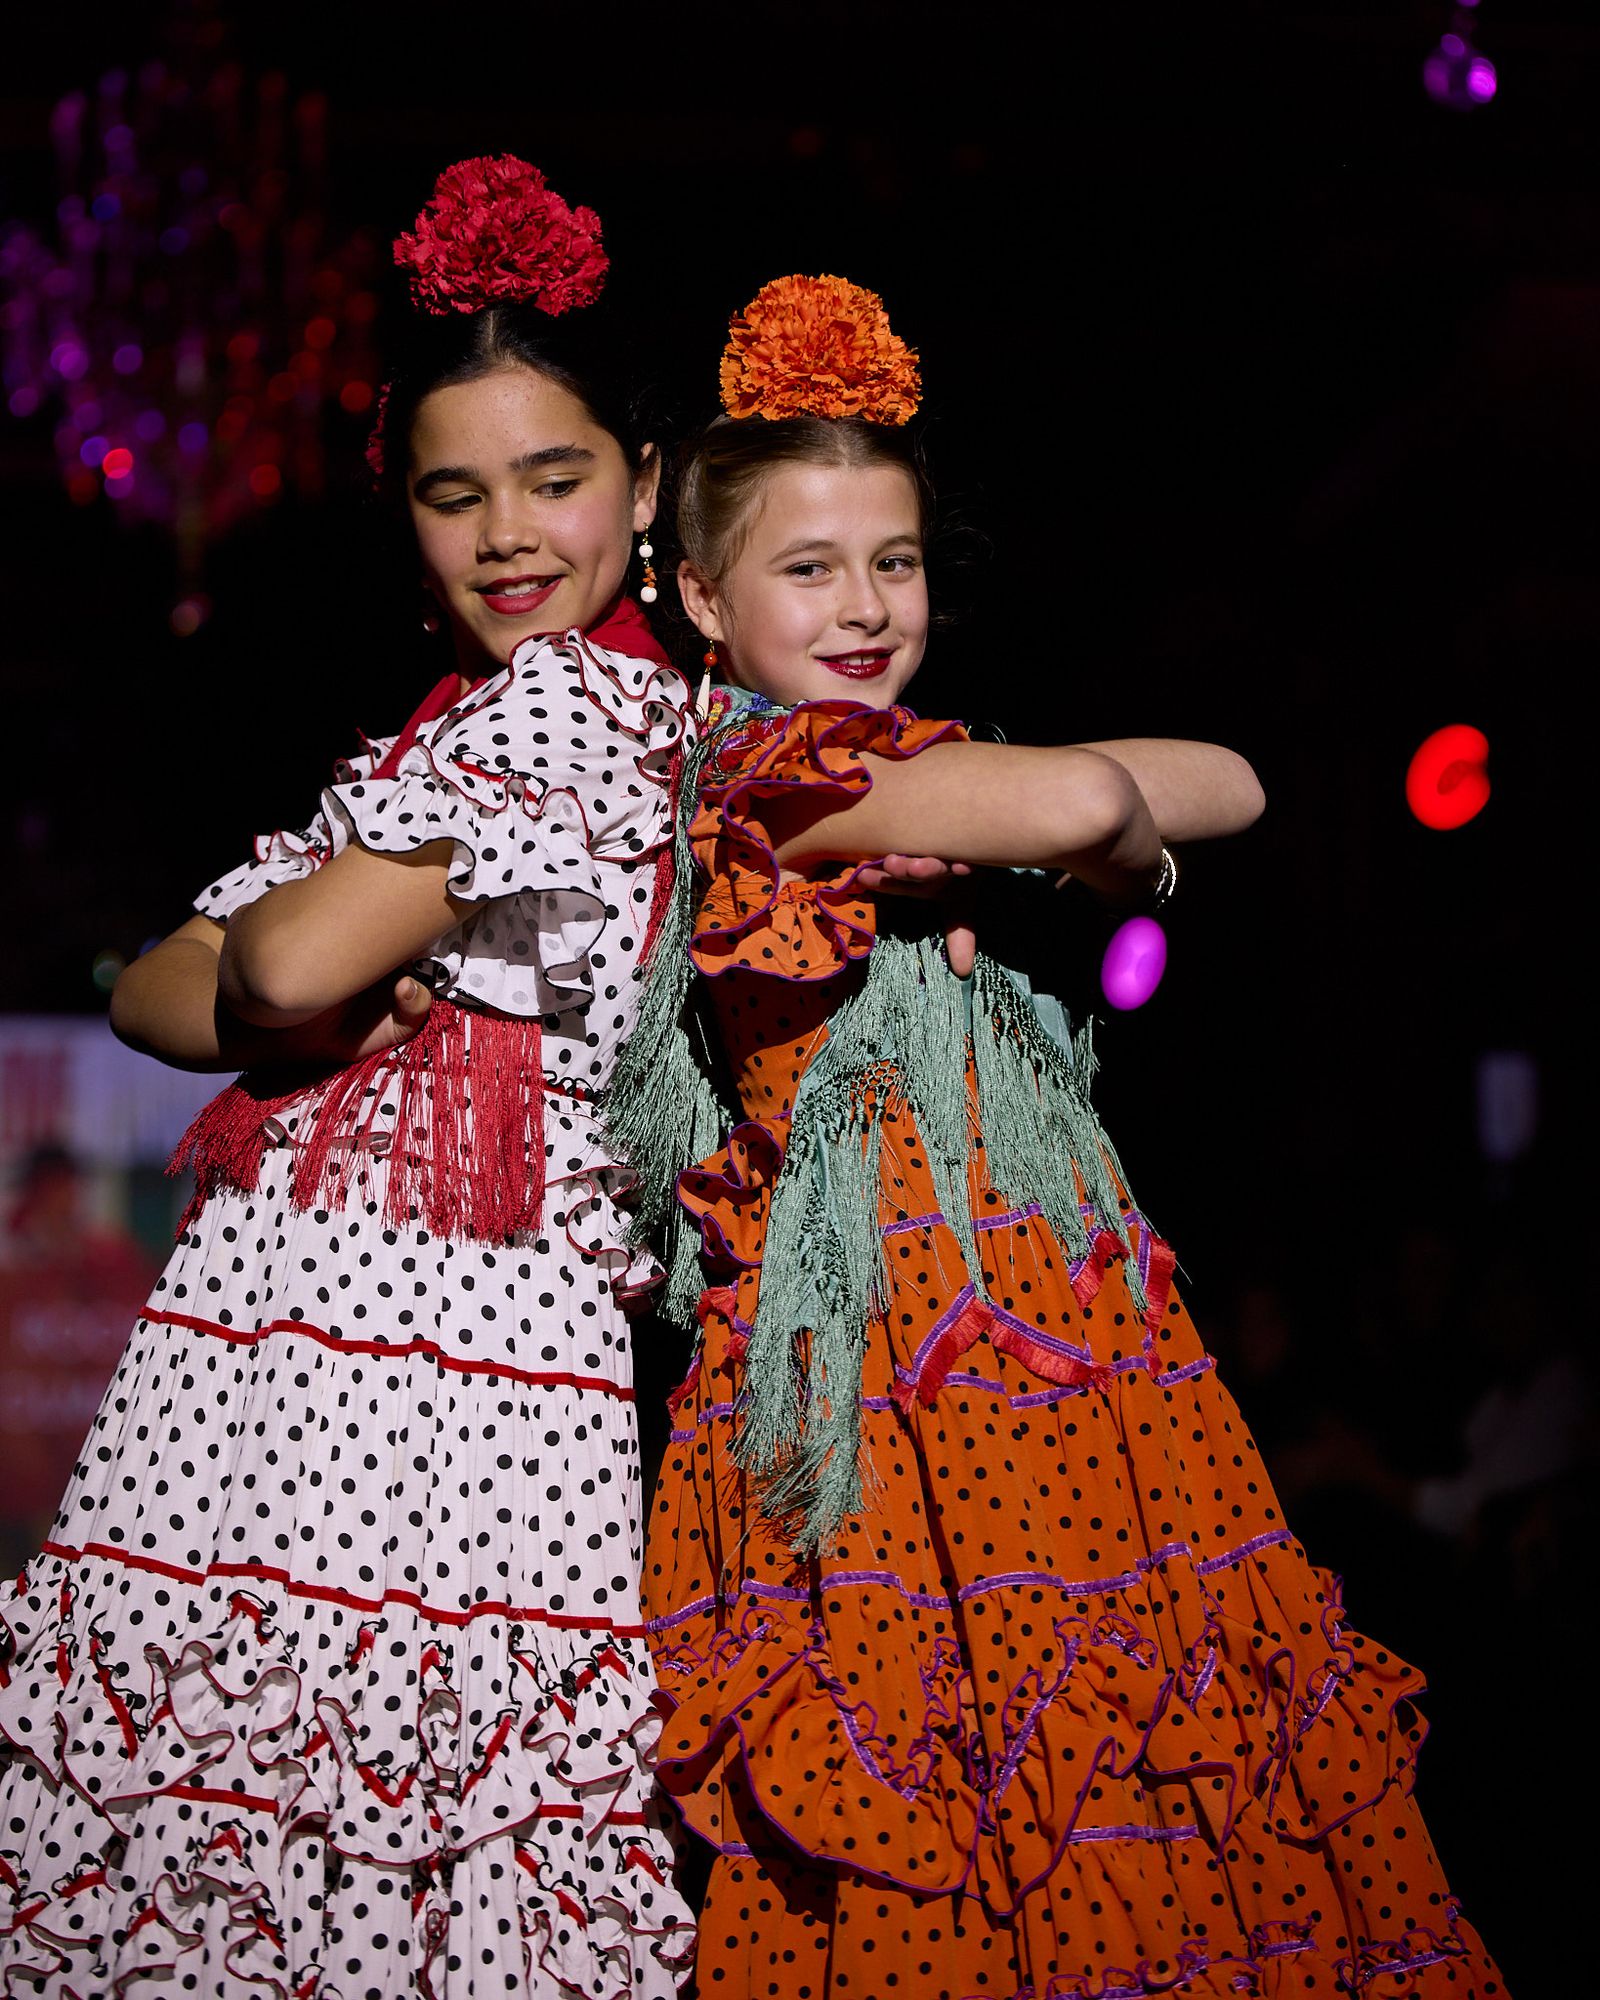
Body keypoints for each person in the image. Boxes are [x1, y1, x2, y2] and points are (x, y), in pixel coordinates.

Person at [617, 276, 1504, 1996]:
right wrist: (1079, 839)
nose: (867, 606)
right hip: (894, 1386)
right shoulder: (759, 779)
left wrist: (1079, 848)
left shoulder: (911, 768)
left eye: (895, 561)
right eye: (810, 570)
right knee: (949, 1806)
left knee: (1132, 1792)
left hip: (1052, 1351)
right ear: (707, 603)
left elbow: (1234, 780)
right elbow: (1105, 797)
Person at [0, 157, 695, 1997]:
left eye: (556, 480)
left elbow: (277, 957)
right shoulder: (424, 749)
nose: (508, 535)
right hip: (262, 1356)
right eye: (453, 494)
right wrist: (287, 1001)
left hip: (467, 1384)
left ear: (646, 478)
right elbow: (165, 988)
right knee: (254, 1880)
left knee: (425, 1877)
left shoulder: (612, 723)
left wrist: (300, 980)